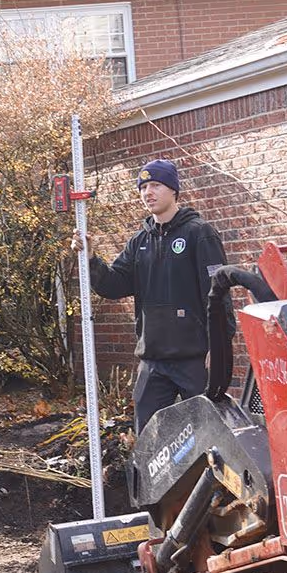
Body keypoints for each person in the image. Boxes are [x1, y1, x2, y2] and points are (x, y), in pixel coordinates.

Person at [74, 159, 227, 435]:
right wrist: (90, 258)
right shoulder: (139, 241)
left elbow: (217, 294)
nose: (148, 192)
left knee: (208, 436)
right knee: (148, 438)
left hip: (193, 358)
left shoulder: (199, 234)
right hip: (153, 360)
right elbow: (114, 285)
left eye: (155, 185)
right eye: (143, 187)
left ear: (173, 190)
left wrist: (218, 346)